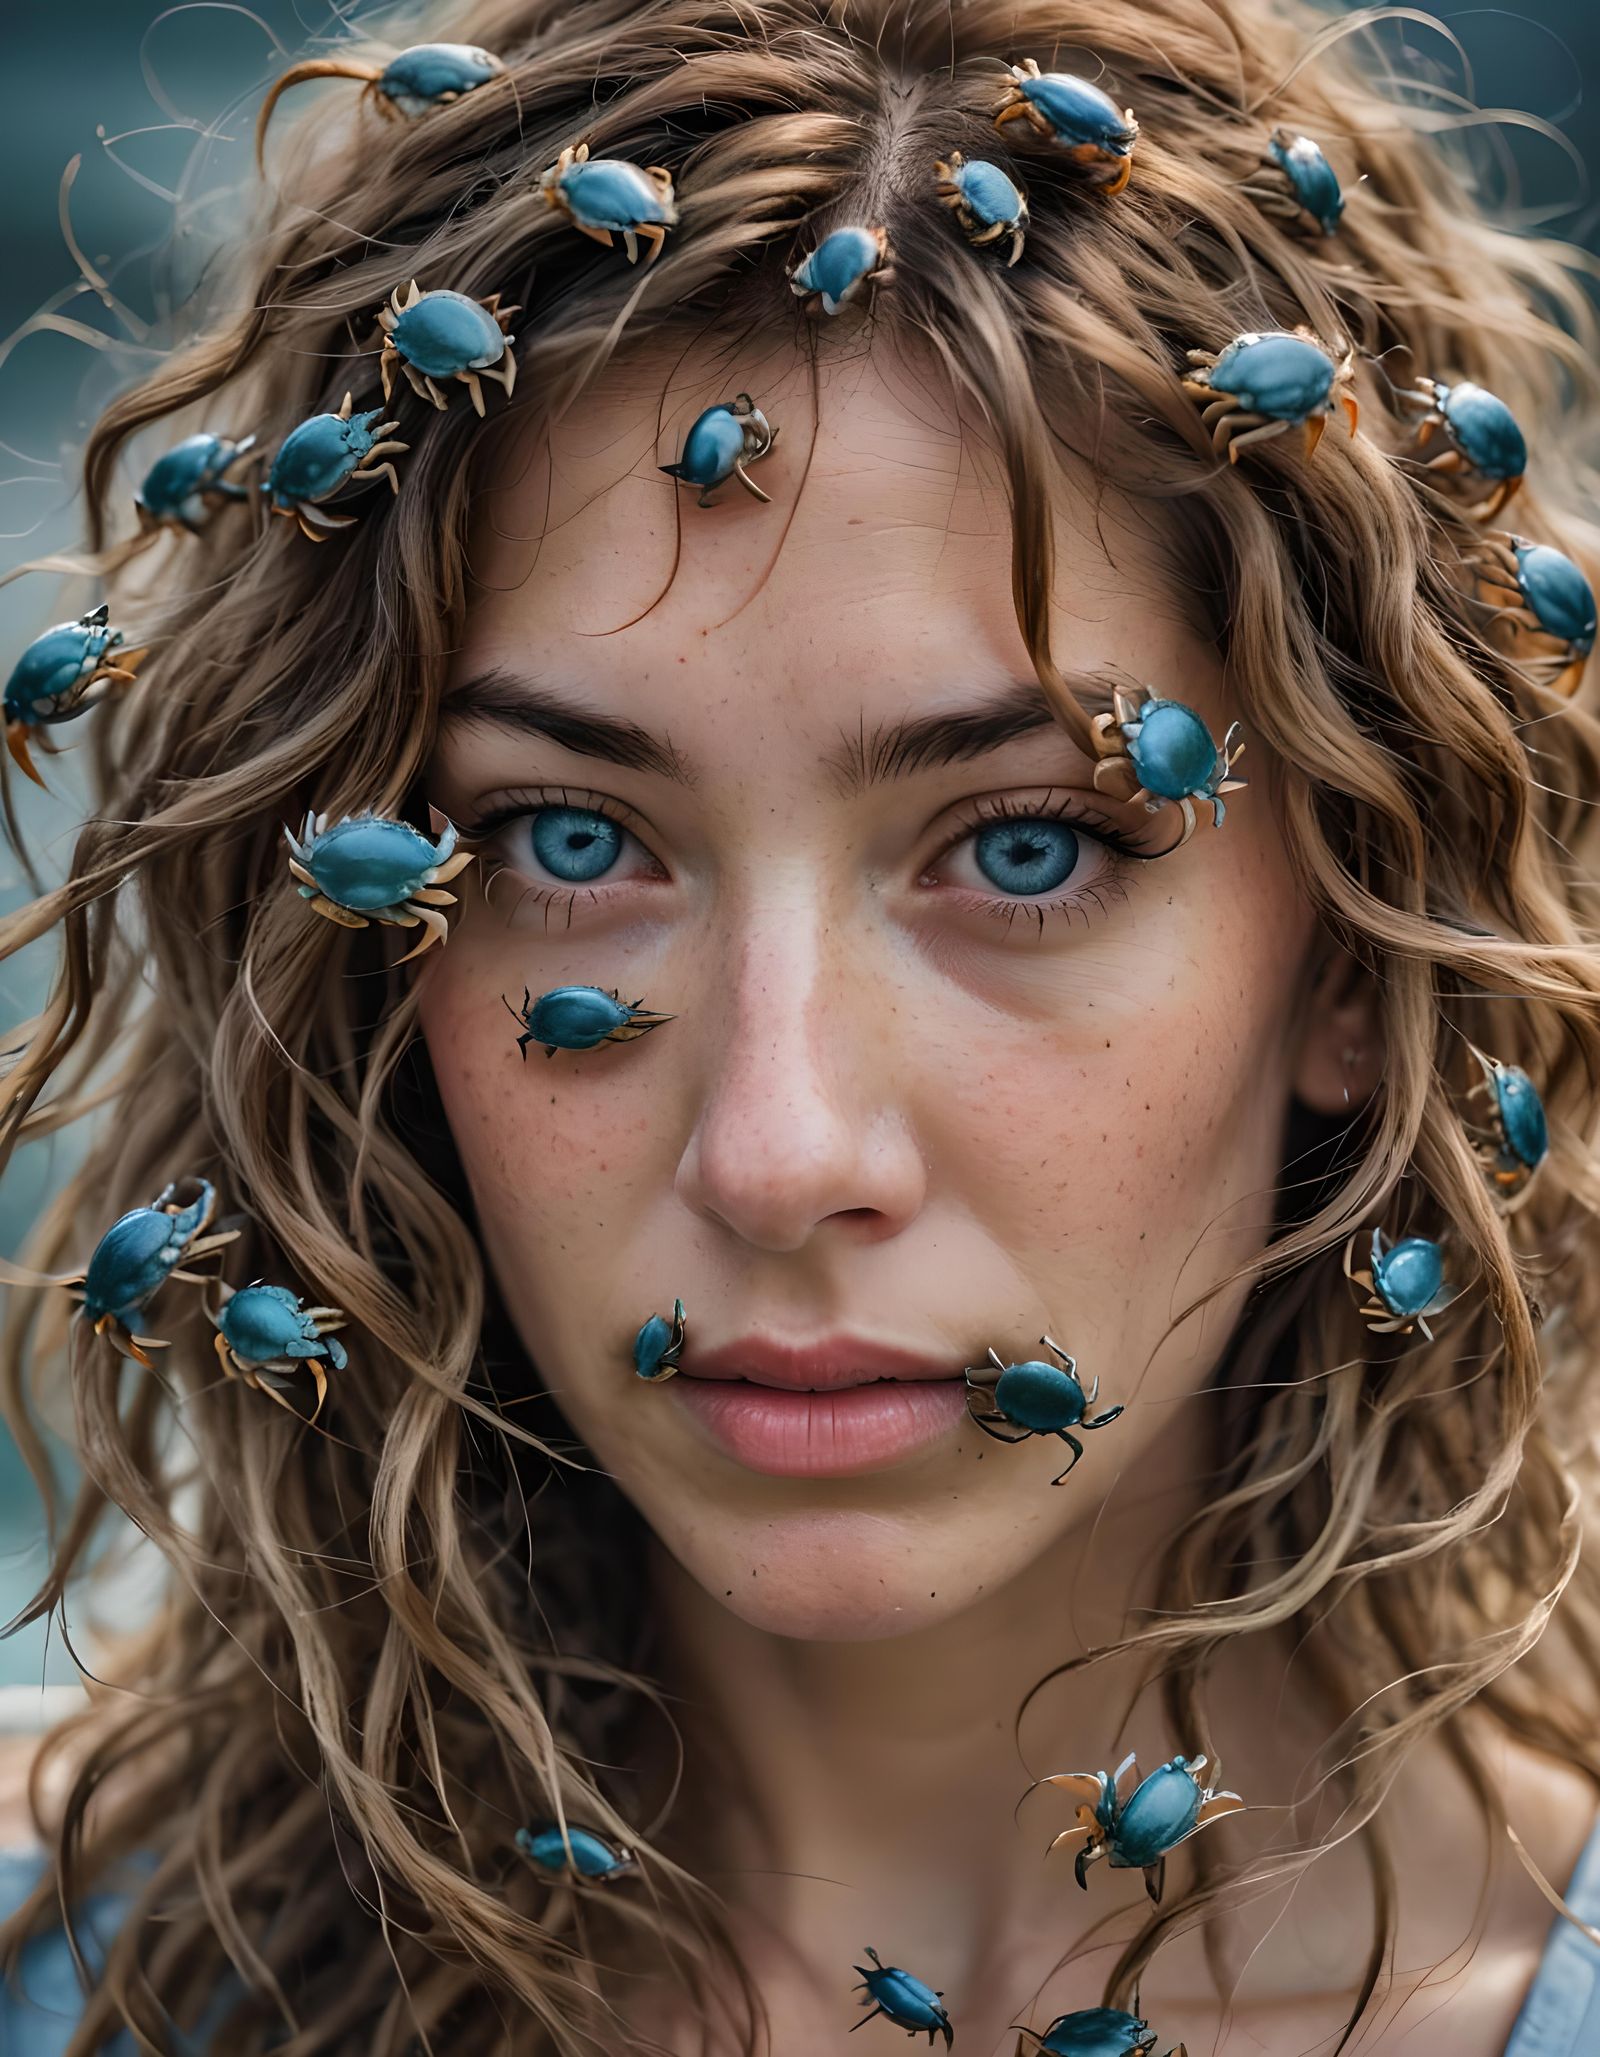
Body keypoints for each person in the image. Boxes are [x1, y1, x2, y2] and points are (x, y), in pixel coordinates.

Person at [2, 0, 1600, 2049]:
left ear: (1360, 955)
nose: (777, 1150)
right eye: (564, 834)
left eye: (1023, 849)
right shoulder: (79, 1973)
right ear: (354, 960)